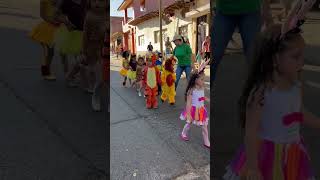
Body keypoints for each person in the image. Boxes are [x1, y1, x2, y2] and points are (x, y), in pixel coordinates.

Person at [223, 3, 320, 177]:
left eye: (302, 56)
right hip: (264, 156)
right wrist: (253, 166)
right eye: (295, 57)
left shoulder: (296, 86)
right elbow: (251, 133)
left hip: (293, 155)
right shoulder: (261, 93)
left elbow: (299, 113)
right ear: (275, 59)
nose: (302, 62)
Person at [211, 0, 273, 83]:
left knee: (254, 58)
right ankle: (199, 92)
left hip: (250, 9)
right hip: (224, 10)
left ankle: (258, 92)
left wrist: (266, 9)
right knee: (214, 55)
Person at [29, 0, 70, 80]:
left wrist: (64, 20)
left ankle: (67, 73)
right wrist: (53, 21)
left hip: (60, 27)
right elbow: (42, 15)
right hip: (47, 28)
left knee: (63, 51)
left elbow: (64, 11)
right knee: (49, 52)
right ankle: (45, 72)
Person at [180, 60, 210, 149]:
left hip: (201, 110)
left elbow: (201, 97)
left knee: (204, 126)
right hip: (193, 110)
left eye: (204, 79)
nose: (203, 81)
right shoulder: (191, 90)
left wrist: (206, 99)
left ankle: (206, 141)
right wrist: (188, 114)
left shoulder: (202, 88)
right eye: (202, 79)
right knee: (189, 123)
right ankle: (183, 133)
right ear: (196, 80)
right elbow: (188, 103)